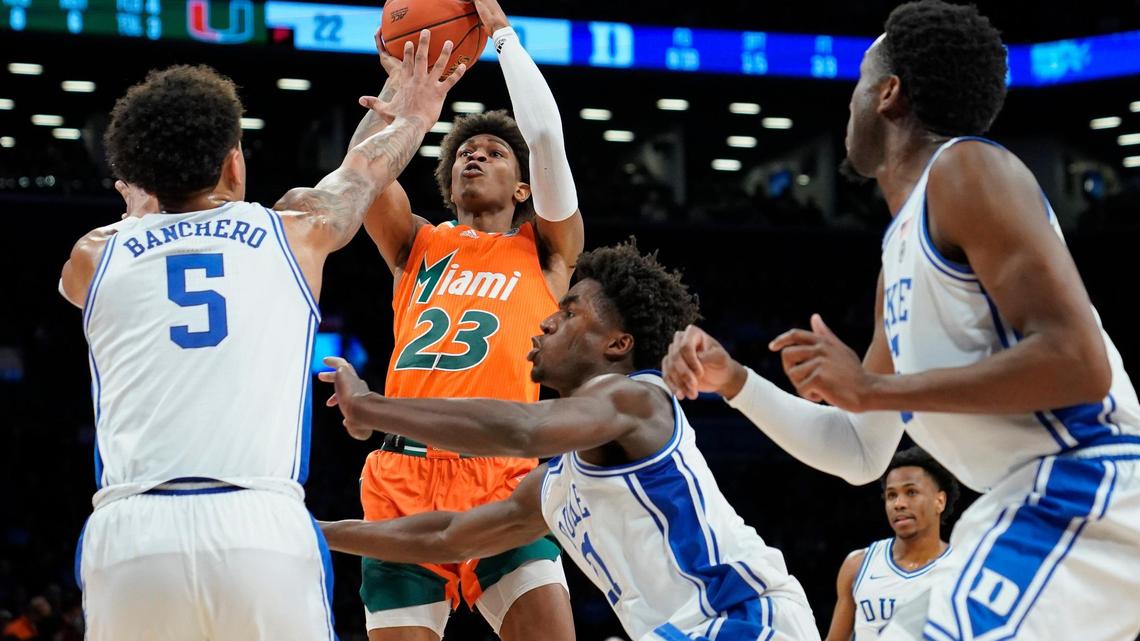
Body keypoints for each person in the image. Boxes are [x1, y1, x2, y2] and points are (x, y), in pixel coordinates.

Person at [662, 2, 1140, 640]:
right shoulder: (900, 249)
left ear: (888, 95)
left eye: (860, 82)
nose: (851, 101)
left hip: (1088, 480)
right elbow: (859, 450)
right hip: (1019, 501)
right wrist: (737, 382)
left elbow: (1078, 365)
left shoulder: (968, 168)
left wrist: (874, 388)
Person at [58, 32, 464, 641]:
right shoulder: (296, 231)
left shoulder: (93, 256)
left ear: (138, 174)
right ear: (232, 162)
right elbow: (361, 174)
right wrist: (413, 113)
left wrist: (142, 212)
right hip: (258, 527)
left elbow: (95, 266)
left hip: (132, 534)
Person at [317, 242, 821, 641]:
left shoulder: (638, 399)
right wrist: (317, 530)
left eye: (570, 313)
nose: (547, 321)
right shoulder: (557, 483)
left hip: (744, 617)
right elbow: (450, 536)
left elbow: (522, 429)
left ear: (617, 344)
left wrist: (372, 407)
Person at [346, 1, 582, 639]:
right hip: (403, 478)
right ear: (448, 180)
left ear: (524, 189)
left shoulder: (548, 252)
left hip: (502, 472)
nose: (474, 157)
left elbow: (547, 139)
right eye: (464, 154)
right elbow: (360, 175)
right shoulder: (416, 245)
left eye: (492, 153)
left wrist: (502, 35)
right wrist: (402, 82)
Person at [824, 447, 958, 641]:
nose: (899, 504)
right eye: (892, 495)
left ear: (940, 501)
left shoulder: (961, 569)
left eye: (911, 492)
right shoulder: (858, 565)